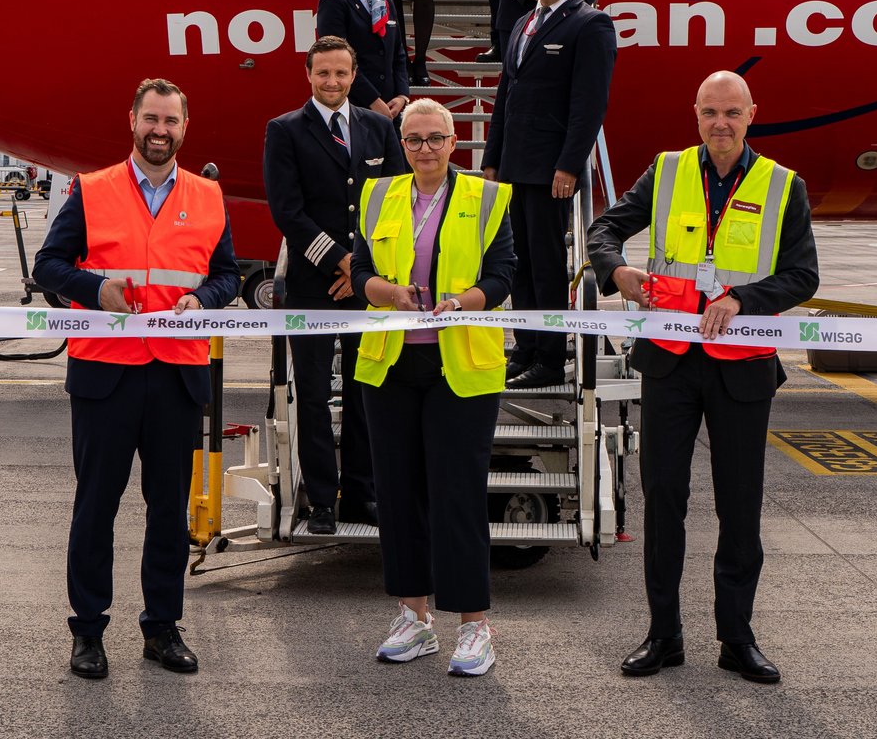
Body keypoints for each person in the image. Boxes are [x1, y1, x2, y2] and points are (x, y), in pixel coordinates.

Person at [587, 71, 819, 685]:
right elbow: (604, 230)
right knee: (664, 502)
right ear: (695, 115)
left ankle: (736, 639)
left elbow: (803, 276)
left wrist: (745, 299)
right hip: (668, 361)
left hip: (742, 367)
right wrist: (617, 272)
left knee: (739, 508)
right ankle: (663, 635)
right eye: (711, 112)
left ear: (751, 116)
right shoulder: (665, 172)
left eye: (732, 113)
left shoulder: (781, 185)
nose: (721, 123)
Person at [33, 77, 240, 681]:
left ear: (183, 127)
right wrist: (96, 289)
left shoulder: (208, 195)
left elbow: (226, 274)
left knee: (169, 510)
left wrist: (205, 299)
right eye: (151, 119)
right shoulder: (90, 189)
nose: (160, 131)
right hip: (106, 374)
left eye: (171, 122)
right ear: (132, 120)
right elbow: (49, 265)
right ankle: (88, 632)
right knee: (96, 506)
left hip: (177, 372)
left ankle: (161, 627)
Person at [351, 98, 516, 677]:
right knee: (397, 494)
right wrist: (390, 293)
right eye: (414, 139)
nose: (424, 149)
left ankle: (474, 626)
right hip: (392, 364)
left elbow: (502, 276)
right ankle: (414, 617)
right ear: (403, 144)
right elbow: (360, 271)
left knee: (457, 495)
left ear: (454, 143)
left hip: (461, 365)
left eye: (435, 138)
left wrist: (460, 303)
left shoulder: (487, 198)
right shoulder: (377, 196)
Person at [263, 36, 405, 535]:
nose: (333, 82)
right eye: (323, 74)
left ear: (353, 73)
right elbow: (288, 211)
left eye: (341, 74)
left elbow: (396, 202)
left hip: (366, 288)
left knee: (368, 389)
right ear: (308, 74)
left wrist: (361, 273)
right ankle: (322, 499)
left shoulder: (379, 128)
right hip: (311, 287)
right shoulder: (284, 131)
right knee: (315, 394)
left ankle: (361, 494)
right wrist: (341, 264)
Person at [482, 0, 615, 388]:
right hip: (515, 166)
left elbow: (588, 105)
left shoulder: (590, 24)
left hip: (551, 171)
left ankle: (551, 359)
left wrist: (570, 165)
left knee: (547, 266)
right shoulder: (523, 22)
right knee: (517, 262)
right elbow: (506, 98)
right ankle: (525, 347)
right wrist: (492, 161)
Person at [315, 0, 410, 118]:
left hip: (391, 108)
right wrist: (373, 101)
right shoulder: (333, 1)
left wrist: (402, 96)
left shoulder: (385, 1)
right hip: (355, 107)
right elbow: (336, 60)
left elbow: (398, 53)